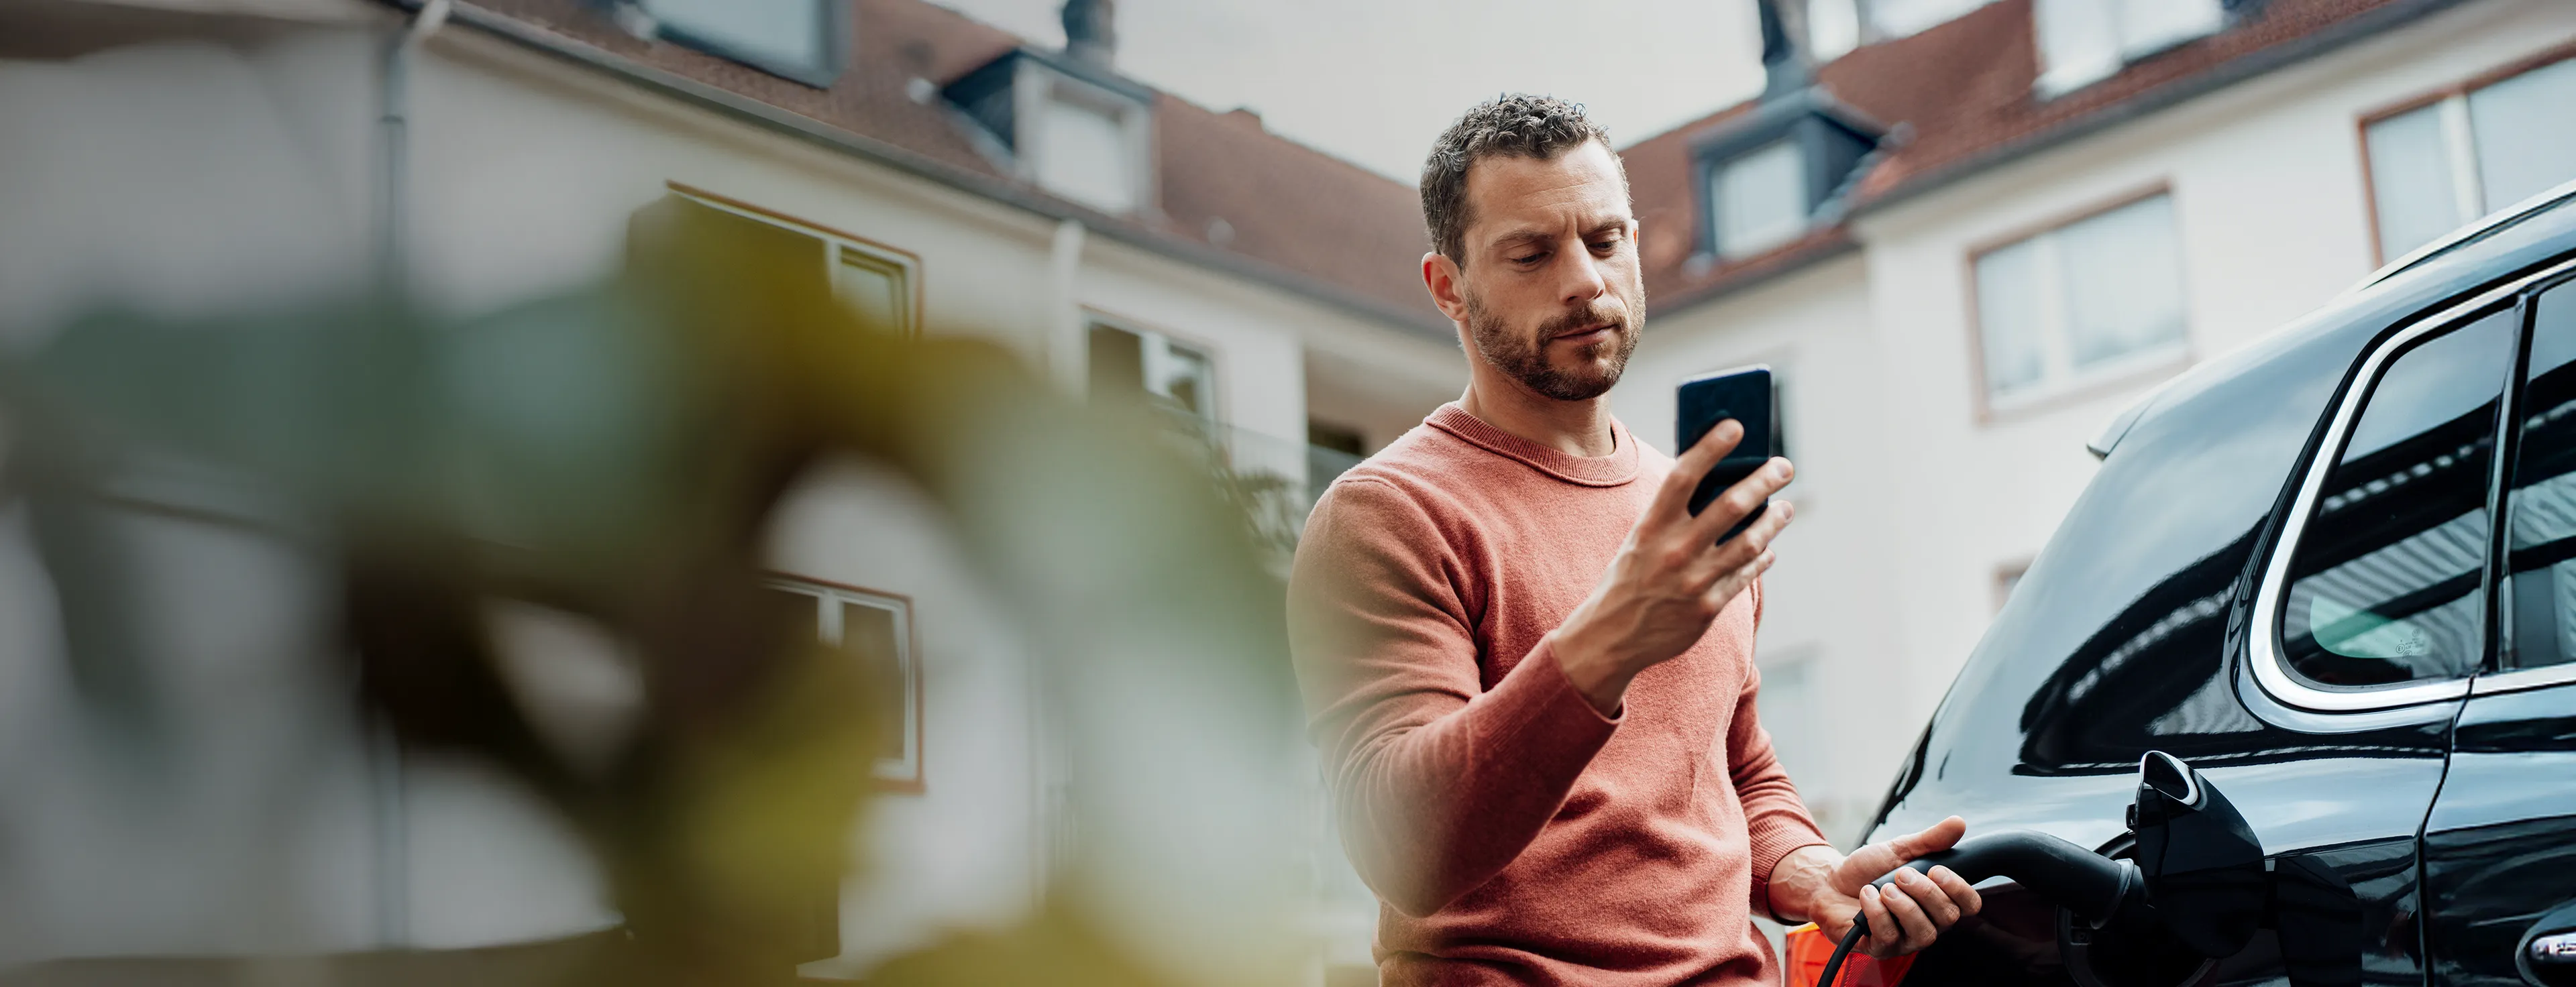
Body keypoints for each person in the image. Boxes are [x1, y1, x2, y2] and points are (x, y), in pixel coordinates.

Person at [1287, 95, 1982, 986]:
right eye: (1532, 253)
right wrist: (1612, 637)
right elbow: (1403, 850)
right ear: (1447, 286)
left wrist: (1809, 872)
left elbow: (1737, 767)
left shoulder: (1680, 506)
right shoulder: (1388, 514)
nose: (1585, 280)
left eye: (1606, 240)